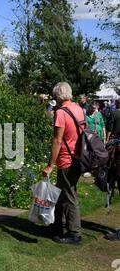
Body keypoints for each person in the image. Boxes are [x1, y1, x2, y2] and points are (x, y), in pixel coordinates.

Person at [42, 82, 85, 244]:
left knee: (69, 196)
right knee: (62, 193)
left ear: (57, 96)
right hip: (78, 157)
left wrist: (49, 165)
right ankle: (57, 226)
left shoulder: (61, 112)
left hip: (66, 159)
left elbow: (57, 141)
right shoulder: (78, 109)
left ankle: (74, 233)